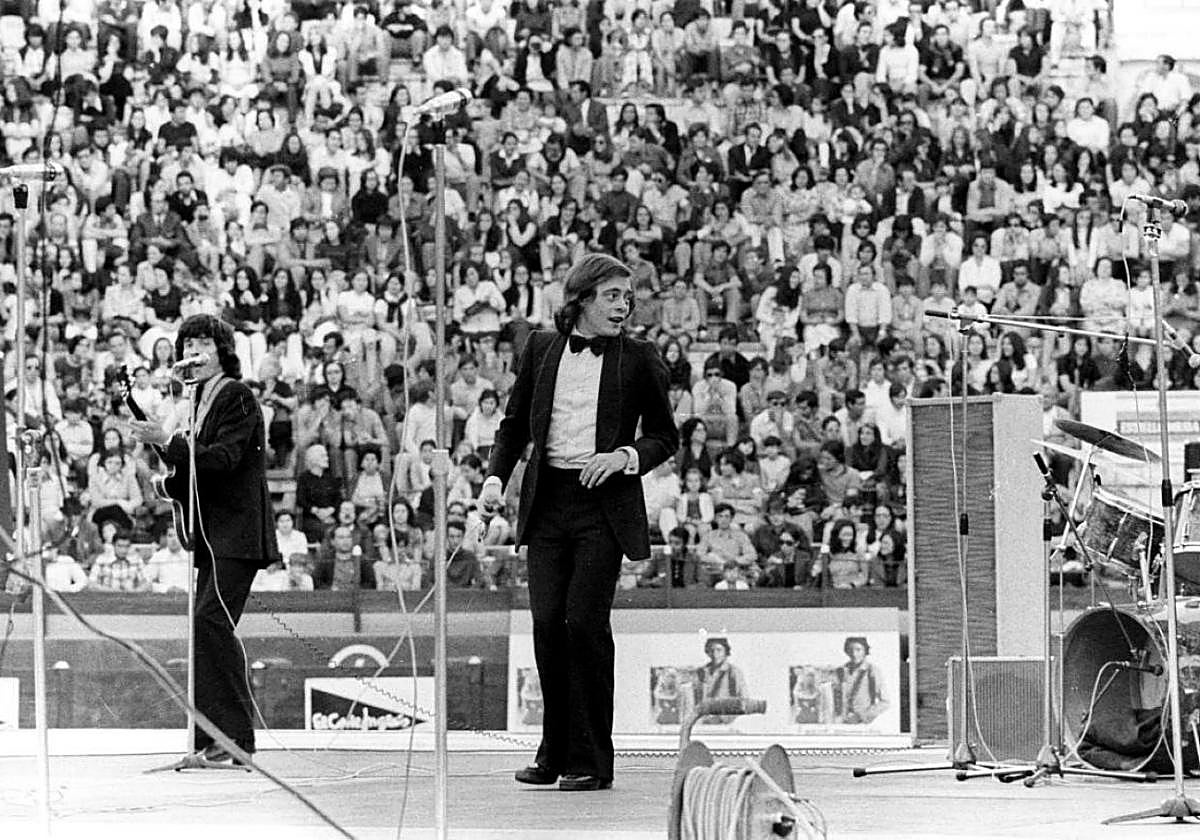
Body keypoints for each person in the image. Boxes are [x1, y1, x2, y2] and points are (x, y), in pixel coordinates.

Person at [479, 253, 677, 792]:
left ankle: (591, 758)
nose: (624, 306)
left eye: (628, 298)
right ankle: (553, 752)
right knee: (547, 625)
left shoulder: (638, 358)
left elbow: (665, 435)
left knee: (584, 624)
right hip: (548, 502)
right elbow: (514, 424)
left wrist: (624, 457)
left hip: (602, 505)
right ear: (582, 299)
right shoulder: (541, 349)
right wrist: (495, 480)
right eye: (613, 296)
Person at [127, 314, 279, 765]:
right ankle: (211, 739)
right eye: (188, 342)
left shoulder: (236, 396)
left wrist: (167, 442)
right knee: (204, 628)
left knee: (210, 623)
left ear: (221, 350)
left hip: (236, 534)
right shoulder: (197, 402)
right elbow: (193, 470)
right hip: (214, 534)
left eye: (203, 342)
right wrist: (161, 478)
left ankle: (236, 738)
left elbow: (224, 460)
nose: (194, 349)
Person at [834, 636, 889, 724]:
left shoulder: (872, 671)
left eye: (858, 650)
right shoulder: (840, 671)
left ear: (865, 651)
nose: (854, 654)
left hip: (862, 724)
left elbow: (885, 702)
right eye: (850, 650)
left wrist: (862, 716)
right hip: (841, 722)